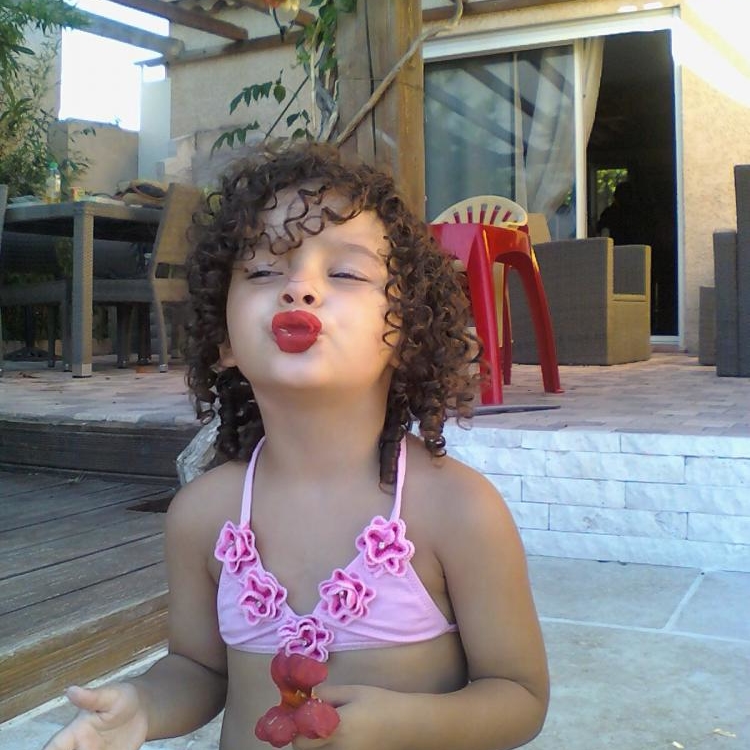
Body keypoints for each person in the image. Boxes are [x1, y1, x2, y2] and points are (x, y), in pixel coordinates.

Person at [42, 142, 549, 750]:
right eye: (262, 271)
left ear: (407, 332)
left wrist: (402, 724)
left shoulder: (457, 510)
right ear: (224, 339)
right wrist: (144, 706)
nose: (298, 289)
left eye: (345, 273)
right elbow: (198, 670)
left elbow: (519, 697)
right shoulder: (202, 515)